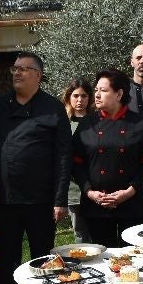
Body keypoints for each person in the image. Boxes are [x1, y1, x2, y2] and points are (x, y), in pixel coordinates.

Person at [0, 52, 70, 284]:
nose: (17, 74)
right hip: (6, 200)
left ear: (38, 75)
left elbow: (63, 157)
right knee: (6, 258)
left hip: (41, 201)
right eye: (14, 69)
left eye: (24, 69)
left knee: (41, 259)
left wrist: (60, 200)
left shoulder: (53, 108)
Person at [73, 68, 143, 248]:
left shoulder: (139, 123)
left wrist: (128, 192)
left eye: (103, 91)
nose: (96, 95)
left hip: (132, 204)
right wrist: (90, 192)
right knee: (103, 258)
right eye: (96, 90)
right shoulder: (87, 124)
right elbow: (76, 164)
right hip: (96, 206)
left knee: (133, 259)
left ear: (119, 93)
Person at [62, 78, 93, 243]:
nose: (80, 100)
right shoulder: (63, 123)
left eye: (84, 96)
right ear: (69, 97)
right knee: (80, 232)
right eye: (75, 96)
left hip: (96, 186)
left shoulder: (97, 121)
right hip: (73, 189)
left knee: (98, 230)